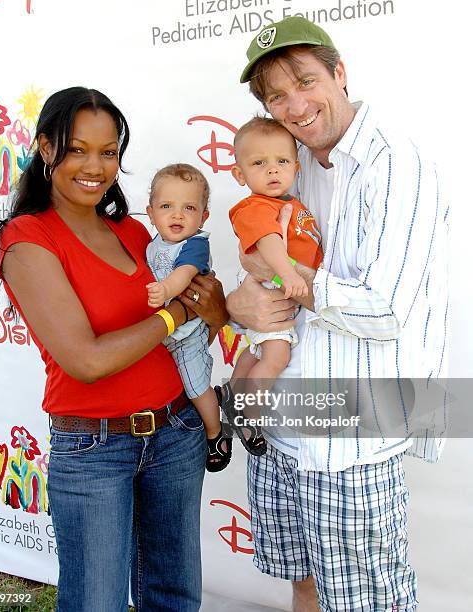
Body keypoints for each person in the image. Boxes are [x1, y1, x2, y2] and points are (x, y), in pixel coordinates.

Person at [226, 16, 448, 612]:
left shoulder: (394, 163)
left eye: (305, 80)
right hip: (285, 423)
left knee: (367, 602)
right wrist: (234, 302)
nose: (295, 104)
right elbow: (259, 270)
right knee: (305, 583)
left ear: (339, 74)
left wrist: (282, 283)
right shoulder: (289, 168)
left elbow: (384, 308)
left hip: (354, 437)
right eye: (277, 95)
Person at [0, 87, 228, 612]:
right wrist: (179, 314)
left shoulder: (134, 229)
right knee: (95, 602)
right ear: (45, 148)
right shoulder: (27, 238)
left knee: (175, 595)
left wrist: (209, 311)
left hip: (175, 432)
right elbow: (87, 360)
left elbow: (201, 324)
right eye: (77, 149)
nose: (95, 166)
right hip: (94, 449)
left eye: (108, 152)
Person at [219, 116, 322, 454]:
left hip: (278, 287)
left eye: (281, 162)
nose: (273, 171)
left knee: (256, 349)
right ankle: (248, 415)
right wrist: (288, 274)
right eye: (259, 163)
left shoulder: (289, 203)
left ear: (296, 165)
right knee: (276, 355)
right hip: (270, 286)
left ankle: (233, 392)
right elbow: (269, 242)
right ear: (240, 174)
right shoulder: (255, 207)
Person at [146, 163, 232, 471]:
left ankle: (215, 432)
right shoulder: (151, 245)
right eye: (166, 206)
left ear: (204, 216)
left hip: (188, 333)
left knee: (195, 386)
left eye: (189, 207)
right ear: (151, 212)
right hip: (165, 332)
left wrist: (165, 288)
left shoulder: (195, 244)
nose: (177, 215)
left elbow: (185, 272)